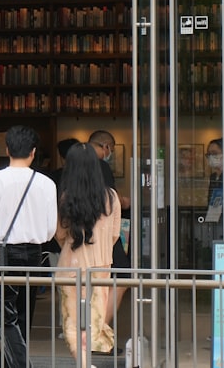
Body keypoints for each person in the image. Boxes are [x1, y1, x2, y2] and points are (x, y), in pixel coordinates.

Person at [0, 125, 58, 368]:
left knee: (6, 317)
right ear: (33, 152)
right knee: (23, 315)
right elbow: (50, 229)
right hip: (34, 254)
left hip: (4, 254)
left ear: (6, 149)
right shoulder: (46, 184)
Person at [55, 142, 123, 366]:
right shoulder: (112, 197)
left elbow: (60, 234)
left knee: (72, 324)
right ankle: (86, 364)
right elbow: (115, 236)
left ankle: (84, 365)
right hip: (101, 268)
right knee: (93, 322)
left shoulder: (67, 198)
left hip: (71, 268)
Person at [88, 129, 131, 330]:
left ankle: (85, 330)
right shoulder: (101, 167)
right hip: (103, 233)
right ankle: (98, 331)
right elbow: (108, 200)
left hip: (80, 235)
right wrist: (123, 201)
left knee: (87, 284)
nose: (110, 153)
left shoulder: (73, 166)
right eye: (110, 149)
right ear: (105, 147)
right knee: (121, 279)